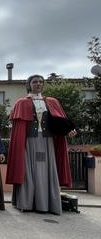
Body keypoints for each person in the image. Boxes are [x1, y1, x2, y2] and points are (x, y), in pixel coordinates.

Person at [6, 74, 77, 215]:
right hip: (29, 141)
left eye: (40, 82)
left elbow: (61, 122)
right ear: (29, 84)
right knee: (28, 171)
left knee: (47, 171)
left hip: (48, 141)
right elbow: (18, 129)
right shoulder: (21, 103)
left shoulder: (52, 102)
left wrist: (69, 130)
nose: (38, 84)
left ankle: (47, 204)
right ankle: (26, 203)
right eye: (35, 81)